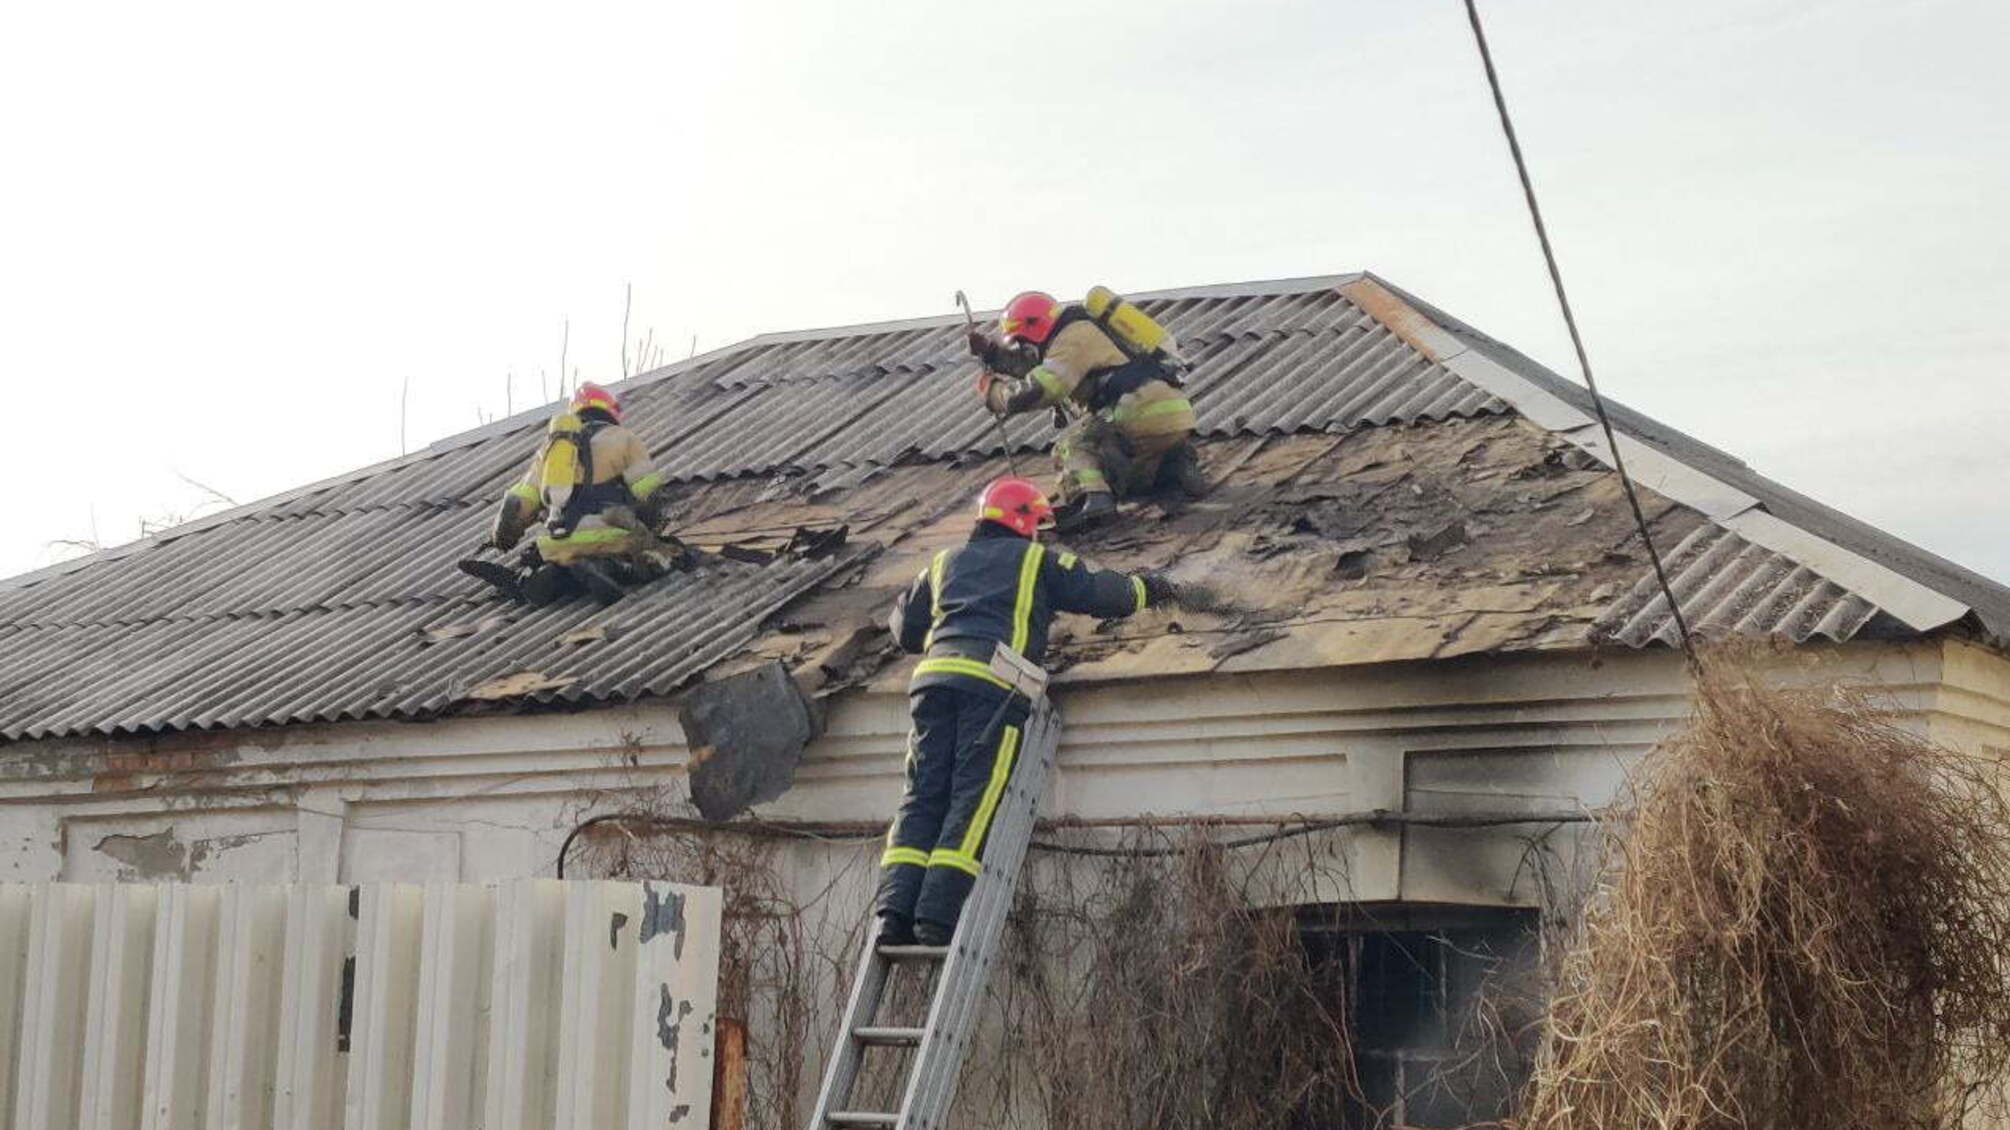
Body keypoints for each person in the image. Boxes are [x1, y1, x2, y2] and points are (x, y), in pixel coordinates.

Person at [877, 475, 1177, 946]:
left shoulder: (941, 562)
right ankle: (936, 916)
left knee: (922, 794)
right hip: (992, 689)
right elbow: (1101, 593)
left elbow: (904, 631)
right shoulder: (1037, 561)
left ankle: (893, 913)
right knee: (973, 795)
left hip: (931, 685)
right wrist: (1148, 588)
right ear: (1025, 523)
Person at [969, 289, 1207, 529]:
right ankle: (1173, 470)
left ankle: (1093, 502)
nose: (1022, 348)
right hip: (1173, 414)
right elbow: (1036, 366)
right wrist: (992, 354)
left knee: (1071, 447)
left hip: (1137, 411)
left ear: (1031, 329)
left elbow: (1041, 388)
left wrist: (994, 393)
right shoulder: (1080, 331)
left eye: (1021, 342)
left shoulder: (1072, 338)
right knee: (1126, 462)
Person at [460, 382, 680, 605]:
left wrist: (501, 539)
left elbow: (516, 503)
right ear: (611, 410)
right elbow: (649, 493)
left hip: (558, 541)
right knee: (661, 560)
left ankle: (548, 577)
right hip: (612, 538)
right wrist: (654, 528)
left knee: (559, 570)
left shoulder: (551, 452)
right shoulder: (624, 439)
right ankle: (609, 568)